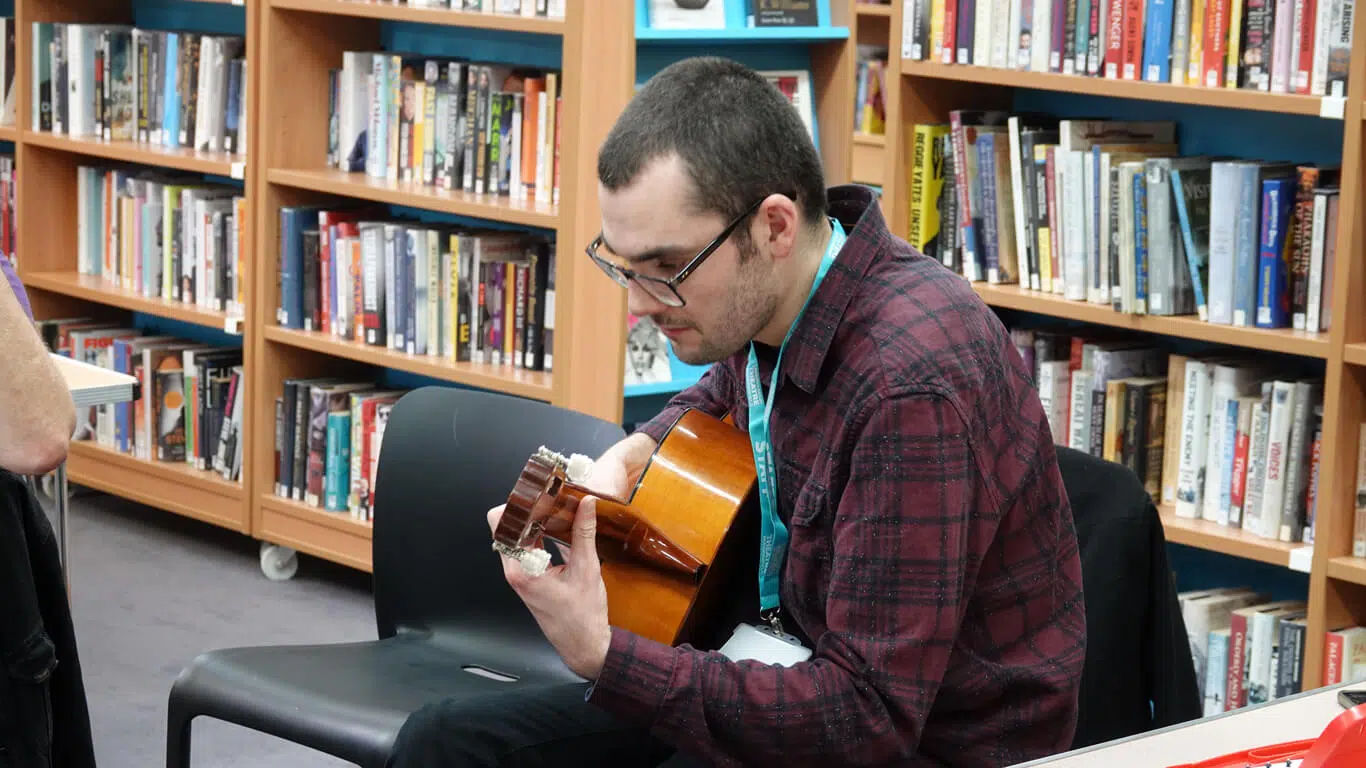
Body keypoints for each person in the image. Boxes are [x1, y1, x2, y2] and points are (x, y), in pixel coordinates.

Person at [388, 56, 1086, 767]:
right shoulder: (786, 291)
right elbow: (728, 393)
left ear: (775, 227)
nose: (639, 304)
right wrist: (638, 451)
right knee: (445, 745)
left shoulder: (911, 386)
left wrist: (603, 654)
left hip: (912, 742)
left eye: (666, 268)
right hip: (783, 670)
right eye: (623, 266)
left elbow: (868, 720)